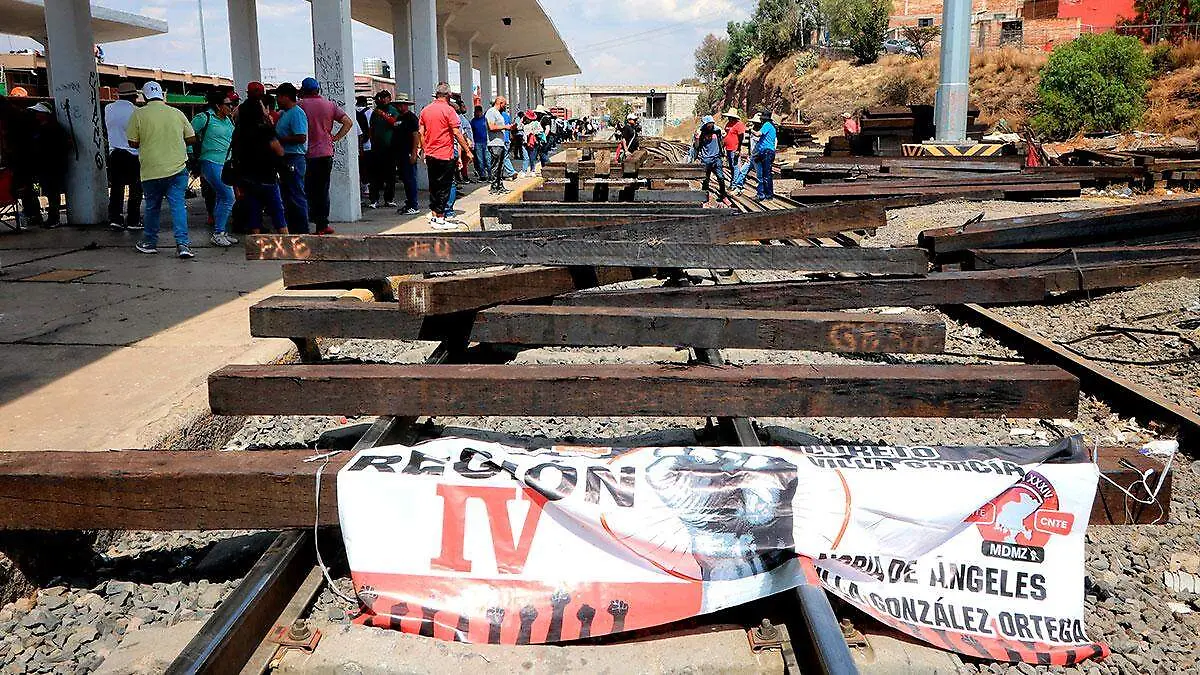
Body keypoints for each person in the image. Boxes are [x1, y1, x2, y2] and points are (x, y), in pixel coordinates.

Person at [126, 81, 197, 258]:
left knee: (152, 207)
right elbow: (192, 138)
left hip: (151, 170)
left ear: (143, 96)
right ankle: (183, 245)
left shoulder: (138, 114)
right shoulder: (177, 113)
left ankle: (150, 242)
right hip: (178, 167)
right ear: (162, 95)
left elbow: (132, 143)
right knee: (178, 206)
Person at [297, 77, 353, 235]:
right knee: (322, 189)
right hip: (325, 152)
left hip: (306, 154)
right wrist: (335, 137)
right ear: (318, 89)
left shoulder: (299, 106)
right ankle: (322, 224)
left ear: (303, 90)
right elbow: (348, 122)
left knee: (306, 189)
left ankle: (306, 222)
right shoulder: (329, 105)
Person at [417, 82, 473, 229]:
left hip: (430, 154)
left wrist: (424, 149)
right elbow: (457, 133)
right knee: (444, 187)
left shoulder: (425, 110)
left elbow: (421, 133)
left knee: (434, 186)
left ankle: (435, 215)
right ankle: (441, 218)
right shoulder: (449, 111)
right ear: (448, 95)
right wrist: (467, 150)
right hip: (444, 154)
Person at [229, 97, 288, 234]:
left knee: (254, 212)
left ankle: (257, 245)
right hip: (267, 176)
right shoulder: (265, 131)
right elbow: (279, 151)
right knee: (277, 212)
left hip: (248, 178)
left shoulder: (238, 132)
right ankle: (286, 242)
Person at [189, 89, 239, 246]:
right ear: (218, 105)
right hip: (211, 161)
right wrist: (190, 154)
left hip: (226, 162)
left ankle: (221, 231)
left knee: (222, 197)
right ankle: (218, 232)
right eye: (228, 104)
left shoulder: (227, 120)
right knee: (228, 196)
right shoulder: (204, 118)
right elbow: (188, 135)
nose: (231, 106)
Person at [18, 102, 70, 228]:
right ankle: (50, 218)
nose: (36, 115)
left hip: (52, 166)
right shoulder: (42, 128)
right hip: (46, 166)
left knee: (53, 193)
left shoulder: (53, 129)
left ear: (44, 114)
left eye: (38, 113)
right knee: (50, 192)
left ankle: (54, 218)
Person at [105, 81, 143, 231]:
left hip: (115, 153)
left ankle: (116, 218)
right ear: (134, 96)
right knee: (135, 188)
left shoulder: (108, 109)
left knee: (116, 188)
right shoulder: (137, 111)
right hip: (133, 154)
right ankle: (133, 219)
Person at [274, 83, 310, 233]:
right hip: (285, 158)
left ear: (285, 96)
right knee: (288, 194)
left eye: (278, 97)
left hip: (294, 157)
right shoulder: (284, 113)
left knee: (296, 194)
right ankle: (293, 226)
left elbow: (301, 137)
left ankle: (302, 229)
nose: (277, 100)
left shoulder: (296, 113)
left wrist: (280, 140)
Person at [366, 90, 400, 209]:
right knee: (375, 175)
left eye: (383, 97)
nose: (381, 100)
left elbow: (395, 123)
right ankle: (374, 199)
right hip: (376, 147)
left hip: (390, 147)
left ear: (389, 98)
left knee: (390, 175)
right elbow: (371, 127)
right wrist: (371, 140)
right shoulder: (375, 113)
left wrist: (383, 115)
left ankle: (389, 199)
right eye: (379, 98)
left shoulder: (393, 110)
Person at [390, 92, 421, 215]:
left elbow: (415, 136)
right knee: (406, 180)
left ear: (406, 105)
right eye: (398, 105)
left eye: (401, 104)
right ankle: (409, 203)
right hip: (400, 154)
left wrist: (413, 153)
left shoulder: (411, 118)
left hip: (408, 153)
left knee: (410, 179)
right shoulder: (399, 118)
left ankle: (413, 205)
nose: (399, 107)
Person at [484, 96, 516, 194]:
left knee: (500, 166)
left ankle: (499, 186)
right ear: (500, 103)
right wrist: (505, 127)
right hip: (494, 144)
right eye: (505, 104)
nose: (505, 106)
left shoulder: (499, 113)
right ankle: (494, 187)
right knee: (496, 166)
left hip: (500, 143)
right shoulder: (491, 112)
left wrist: (510, 128)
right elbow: (491, 127)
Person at [693, 115, 727, 203]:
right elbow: (696, 146)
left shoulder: (717, 131)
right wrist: (697, 138)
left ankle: (723, 195)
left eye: (711, 123)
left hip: (717, 158)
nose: (710, 125)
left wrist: (723, 138)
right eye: (708, 124)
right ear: (705, 124)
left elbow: (722, 144)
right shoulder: (701, 132)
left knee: (721, 178)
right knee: (706, 179)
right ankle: (704, 197)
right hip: (706, 159)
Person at [752, 109, 777, 201]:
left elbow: (758, 134)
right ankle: (763, 194)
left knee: (766, 175)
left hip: (766, 152)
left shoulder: (767, 125)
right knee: (765, 174)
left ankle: (768, 195)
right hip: (765, 152)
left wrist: (751, 130)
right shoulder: (771, 126)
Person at [721, 107, 745, 175]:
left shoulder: (739, 124)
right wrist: (723, 145)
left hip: (734, 148)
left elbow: (741, 137)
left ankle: (734, 183)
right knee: (731, 165)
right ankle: (733, 180)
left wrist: (738, 149)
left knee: (735, 165)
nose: (728, 118)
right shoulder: (728, 123)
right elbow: (726, 134)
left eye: (730, 116)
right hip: (728, 148)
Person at [469, 104, 489, 181]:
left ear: (481, 112)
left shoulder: (485, 119)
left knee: (487, 159)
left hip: (486, 142)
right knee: (480, 160)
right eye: (475, 112)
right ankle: (483, 175)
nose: (476, 113)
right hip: (477, 143)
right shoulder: (473, 121)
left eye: (477, 112)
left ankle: (490, 174)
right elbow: (471, 132)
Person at [521, 109, 542, 176]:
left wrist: (533, 133)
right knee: (526, 157)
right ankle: (524, 171)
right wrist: (521, 120)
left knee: (532, 158)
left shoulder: (536, 123)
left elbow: (541, 131)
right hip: (524, 142)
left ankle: (532, 170)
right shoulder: (523, 124)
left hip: (533, 143)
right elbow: (518, 127)